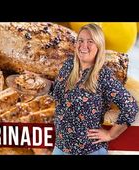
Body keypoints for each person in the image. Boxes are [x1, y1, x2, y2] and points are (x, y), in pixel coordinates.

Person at [49, 23, 138, 155]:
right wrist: (40, 84)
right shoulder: (68, 66)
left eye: (90, 42)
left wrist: (110, 135)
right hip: (60, 147)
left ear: (99, 46)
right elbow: (57, 94)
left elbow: (130, 106)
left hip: (89, 150)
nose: (84, 46)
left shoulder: (103, 75)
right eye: (81, 40)